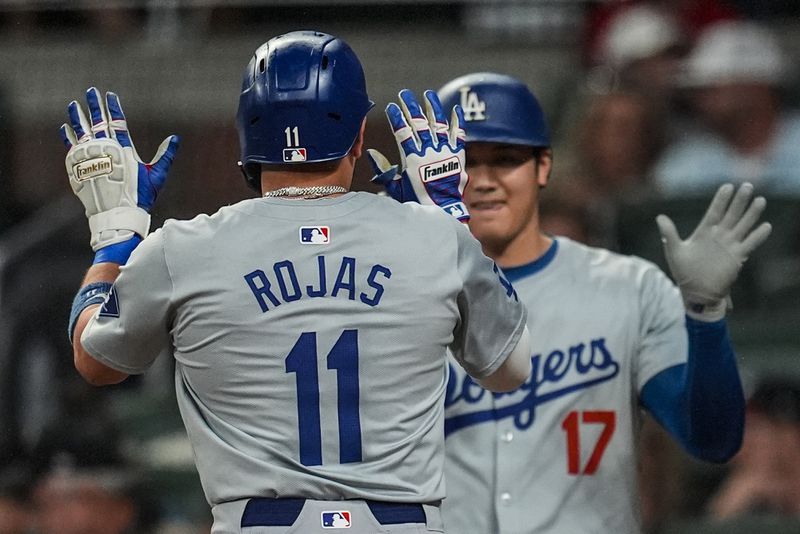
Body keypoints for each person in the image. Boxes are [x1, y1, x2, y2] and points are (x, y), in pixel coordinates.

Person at [61, 31, 531, 534]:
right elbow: (511, 370)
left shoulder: (183, 249)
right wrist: (451, 215)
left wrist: (115, 236)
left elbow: (97, 361)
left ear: (247, 139)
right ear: (357, 137)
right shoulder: (435, 237)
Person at [371, 72, 772, 533]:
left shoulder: (630, 288)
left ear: (543, 167)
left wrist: (704, 313)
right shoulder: (389, 298)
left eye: (505, 159)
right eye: (462, 162)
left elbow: (712, 440)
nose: (482, 181)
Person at [653, 20, 800, 196]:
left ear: (755, 87)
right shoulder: (682, 165)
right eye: (698, 91)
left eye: (711, 89)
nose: (700, 99)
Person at [708, 377, 800, 519]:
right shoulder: (749, 494)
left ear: (789, 435)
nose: (740, 449)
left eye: (752, 429)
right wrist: (728, 509)